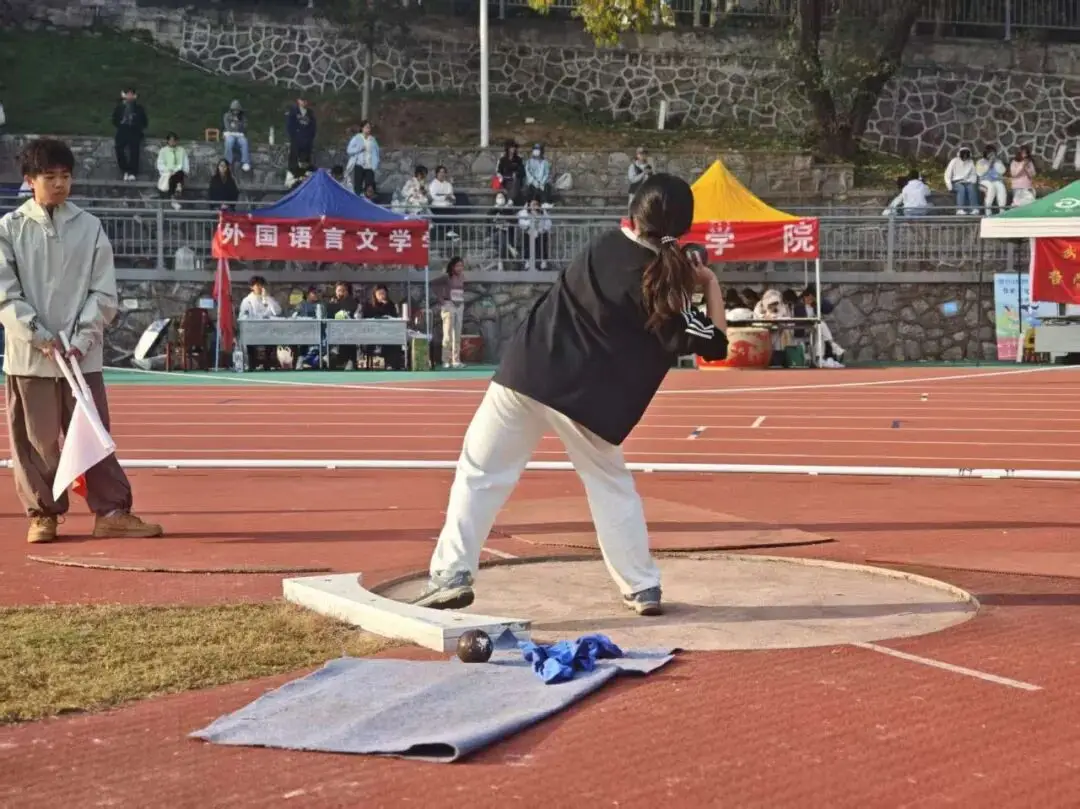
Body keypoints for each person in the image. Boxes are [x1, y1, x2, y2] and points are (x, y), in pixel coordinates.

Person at [409, 173, 729, 616]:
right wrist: (708, 283)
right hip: (590, 401)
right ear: (684, 227)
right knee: (609, 485)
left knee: (480, 473)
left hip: (528, 372)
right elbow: (716, 344)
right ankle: (641, 587)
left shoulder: (601, 246)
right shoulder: (668, 289)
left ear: (634, 214)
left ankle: (452, 574)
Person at [0, 138, 164, 543]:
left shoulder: (89, 227)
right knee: (36, 442)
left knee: (94, 435)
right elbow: (5, 295)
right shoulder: (9, 229)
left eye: (66, 176)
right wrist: (39, 336)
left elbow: (103, 291)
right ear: (30, 180)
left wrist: (84, 336)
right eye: (49, 176)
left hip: (80, 356)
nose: (60, 184)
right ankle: (43, 515)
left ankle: (111, 512)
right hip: (31, 358)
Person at [433, 257, 466, 369]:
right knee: (448, 334)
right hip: (449, 305)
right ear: (452, 267)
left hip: (459, 305)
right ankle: (445, 360)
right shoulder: (446, 277)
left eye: (461, 266)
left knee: (457, 334)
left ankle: (456, 360)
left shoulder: (462, 277)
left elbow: (461, 289)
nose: (460, 268)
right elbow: (434, 284)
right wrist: (441, 299)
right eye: (457, 266)